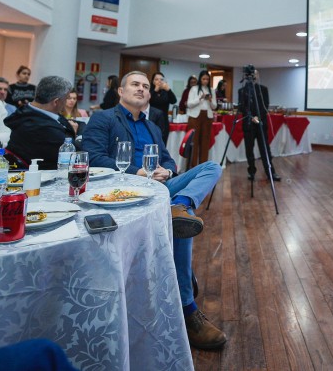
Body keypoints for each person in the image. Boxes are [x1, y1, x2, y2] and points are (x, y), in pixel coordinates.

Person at [80, 71, 226, 350]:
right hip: (123, 188)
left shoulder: (152, 126)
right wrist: (138, 172)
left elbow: (169, 159)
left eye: (146, 87)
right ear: (120, 91)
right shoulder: (103, 118)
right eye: (135, 84)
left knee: (212, 167)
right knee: (183, 226)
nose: (142, 89)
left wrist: (166, 170)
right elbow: (93, 157)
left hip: (159, 187)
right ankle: (187, 309)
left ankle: (180, 204)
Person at [4, 76, 79, 169]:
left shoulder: (26, 111)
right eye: (67, 98)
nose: (68, 101)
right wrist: (73, 134)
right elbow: (72, 156)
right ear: (56, 102)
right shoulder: (38, 127)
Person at [237, 65, 280, 181]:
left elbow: (265, 105)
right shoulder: (242, 90)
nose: (253, 76)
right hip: (248, 124)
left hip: (261, 124)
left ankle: (271, 172)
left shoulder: (263, 89)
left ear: (258, 76)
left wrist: (258, 117)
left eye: (255, 74)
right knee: (249, 150)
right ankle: (251, 172)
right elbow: (242, 107)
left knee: (265, 149)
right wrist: (251, 117)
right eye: (251, 74)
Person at [185, 71, 217, 169]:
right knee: (193, 142)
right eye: (203, 79)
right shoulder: (194, 89)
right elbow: (189, 104)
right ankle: (192, 166)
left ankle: (203, 166)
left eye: (207, 79)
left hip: (207, 117)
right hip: (195, 117)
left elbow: (214, 106)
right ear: (200, 79)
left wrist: (211, 100)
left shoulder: (211, 90)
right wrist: (200, 98)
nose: (205, 81)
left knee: (205, 142)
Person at [149, 72, 177, 140]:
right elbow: (146, 101)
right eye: (156, 79)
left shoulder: (166, 92)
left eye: (161, 79)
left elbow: (174, 101)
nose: (159, 81)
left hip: (164, 121)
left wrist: (169, 90)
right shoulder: (150, 91)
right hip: (151, 121)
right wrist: (155, 90)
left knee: (162, 142)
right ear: (153, 82)